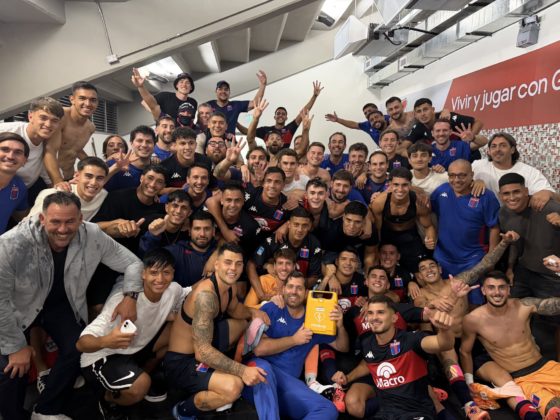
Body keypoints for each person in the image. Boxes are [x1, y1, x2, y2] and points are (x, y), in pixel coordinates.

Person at [0, 191, 143, 420]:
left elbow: (133, 263)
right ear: (42, 219)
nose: (63, 229)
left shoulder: (92, 234)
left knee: (77, 346)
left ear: (80, 219)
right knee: (11, 366)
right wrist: (16, 348)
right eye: (55, 221)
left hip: (60, 304)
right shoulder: (11, 243)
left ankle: (46, 409)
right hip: (19, 308)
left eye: (70, 222)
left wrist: (130, 296)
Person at [77, 249, 190, 419]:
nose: (160, 279)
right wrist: (107, 341)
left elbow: (191, 292)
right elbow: (81, 344)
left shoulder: (173, 289)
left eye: (166, 272)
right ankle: (108, 399)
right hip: (103, 355)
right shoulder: (122, 302)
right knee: (140, 386)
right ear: (143, 274)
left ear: (173, 273)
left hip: (134, 348)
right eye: (154, 272)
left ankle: (139, 377)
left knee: (181, 330)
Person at [165, 243, 269, 418]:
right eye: (228, 262)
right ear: (217, 265)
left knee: (242, 324)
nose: (233, 269)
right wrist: (242, 371)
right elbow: (203, 353)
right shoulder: (206, 296)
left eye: (238, 264)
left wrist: (253, 312)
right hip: (182, 363)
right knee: (234, 387)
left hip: (201, 346)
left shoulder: (229, 285)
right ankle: (183, 411)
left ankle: (218, 374)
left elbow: (236, 310)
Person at [243, 271, 347, 420]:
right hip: (258, 377)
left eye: (299, 288)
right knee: (263, 370)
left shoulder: (313, 319)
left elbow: (342, 346)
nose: (294, 291)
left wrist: (340, 326)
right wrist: (294, 340)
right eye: (290, 286)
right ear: (283, 289)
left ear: (305, 293)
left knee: (328, 410)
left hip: (287, 385)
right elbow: (259, 349)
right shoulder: (272, 308)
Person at [333, 295, 455, 420]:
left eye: (381, 312)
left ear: (394, 318)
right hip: (385, 414)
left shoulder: (411, 340)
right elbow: (368, 363)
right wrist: (347, 378)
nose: (374, 317)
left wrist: (445, 330)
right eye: (370, 313)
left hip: (415, 413)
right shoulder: (367, 344)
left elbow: (444, 344)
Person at [461, 272, 560, 419]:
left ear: (509, 289)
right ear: (483, 290)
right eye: (491, 287)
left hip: (547, 367)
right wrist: (469, 383)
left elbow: (555, 305)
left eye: (502, 287)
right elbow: (465, 352)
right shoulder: (473, 320)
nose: (497, 292)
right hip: (522, 379)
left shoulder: (523, 306)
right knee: (555, 408)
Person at [431, 160, 500, 285]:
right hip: (443, 258)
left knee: (474, 296)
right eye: (452, 175)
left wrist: (491, 259)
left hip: (473, 260)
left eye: (462, 175)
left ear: (472, 175)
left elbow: (494, 228)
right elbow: (427, 212)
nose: (456, 180)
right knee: (445, 296)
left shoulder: (486, 196)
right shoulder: (441, 190)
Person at [371, 168, 436, 274]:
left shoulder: (418, 202)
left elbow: (428, 226)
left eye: (404, 185)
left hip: (409, 236)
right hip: (387, 236)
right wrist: (375, 251)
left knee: (419, 271)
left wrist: (430, 240)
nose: (400, 189)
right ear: (390, 185)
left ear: (410, 185)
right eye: (396, 185)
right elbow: (377, 230)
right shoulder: (379, 202)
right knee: (384, 270)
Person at [0, 97, 64, 202]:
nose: (48, 124)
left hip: (19, 195)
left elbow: (50, 179)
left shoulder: (48, 148)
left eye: (54, 121)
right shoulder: (6, 129)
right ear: (30, 116)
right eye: (43, 118)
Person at [472, 132, 556, 210]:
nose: (497, 149)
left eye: (503, 145)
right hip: (485, 215)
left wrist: (548, 193)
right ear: (489, 151)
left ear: (512, 150)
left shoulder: (529, 172)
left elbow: (556, 197)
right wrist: (474, 181)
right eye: (493, 146)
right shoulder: (477, 166)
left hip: (516, 216)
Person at [248, 206, 322, 293]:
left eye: (304, 225)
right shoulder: (275, 240)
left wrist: (290, 285)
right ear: (289, 224)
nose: (300, 230)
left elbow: (314, 277)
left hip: (297, 292)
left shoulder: (314, 244)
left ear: (309, 226)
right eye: (296, 224)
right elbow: (251, 264)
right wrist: (267, 265)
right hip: (272, 290)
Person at [44, 81, 98, 185]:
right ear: (72, 99)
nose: (88, 104)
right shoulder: (60, 116)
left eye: (93, 100)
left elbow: (76, 149)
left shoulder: (91, 127)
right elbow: (49, 151)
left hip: (69, 176)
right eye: (82, 98)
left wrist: (96, 165)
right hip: (50, 178)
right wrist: (58, 182)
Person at [403, 98, 486, 160]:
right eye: (419, 111)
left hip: (468, 158)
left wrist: (470, 138)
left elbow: (478, 122)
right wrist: (416, 159)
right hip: (445, 162)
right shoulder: (418, 127)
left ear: (433, 110)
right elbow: (402, 148)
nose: (422, 114)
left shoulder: (448, 117)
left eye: (425, 109)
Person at [28, 156, 108, 221]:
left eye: (99, 178)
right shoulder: (52, 195)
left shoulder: (102, 195)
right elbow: (28, 227)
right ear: (77, 175)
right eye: (88, 176)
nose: (93, 182)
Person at [255, 80, 323, 148]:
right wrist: (254, 118)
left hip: (285, 155)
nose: (280, 115)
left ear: (286, 118)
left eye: (283, 114)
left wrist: (314, 96)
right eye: (278, 113)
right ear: (274, 117)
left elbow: (303, 112)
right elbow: (250, 133)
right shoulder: (265, 130)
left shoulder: (289, 129)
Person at [132, 68, 197, 124]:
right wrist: (158, 114)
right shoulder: (165, 96)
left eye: (187, 83)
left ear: (191, 87)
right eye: (181, 82)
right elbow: (144, 102)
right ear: (177, 85)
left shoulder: (193, 102)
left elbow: (192, 120)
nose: (184, 85)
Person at [104, 125, 157, 192]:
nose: (144, 145)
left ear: (154, 145)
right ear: (131, 143)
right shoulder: (114, 164)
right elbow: (96, 186)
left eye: (148, 141)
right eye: (140, 141)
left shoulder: (156, 169)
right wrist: (115, 168)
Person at [160, 127, 212, 194]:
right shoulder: (164, 167)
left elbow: (212, 186)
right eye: (182, 143)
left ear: (196, 145)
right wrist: (183, 190)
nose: (187, 147)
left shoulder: (205, 161)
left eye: (191, 143)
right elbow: (158, 190)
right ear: (174, 146)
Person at [0, 132, 29, 233]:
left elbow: (22, 218)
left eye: (18, 152)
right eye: (4, 149)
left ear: (25, 161)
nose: (10, 156)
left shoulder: (19, 187)